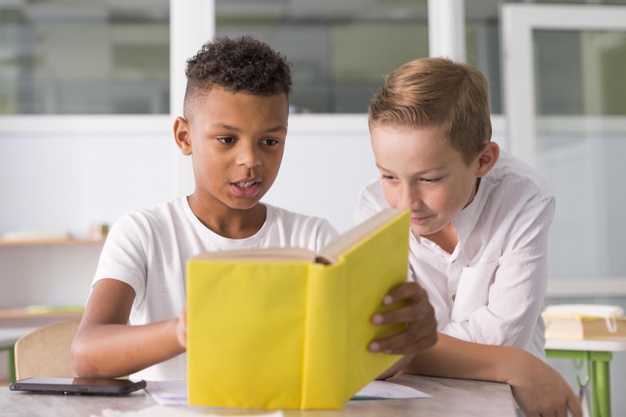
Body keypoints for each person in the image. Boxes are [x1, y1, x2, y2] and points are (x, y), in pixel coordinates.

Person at [70, 36, 437, 381]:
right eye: (227, 139)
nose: (250, 160)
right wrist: (181, 331)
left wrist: (405, 341)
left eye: (270, 141)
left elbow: (364, 360)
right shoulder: (144, 232)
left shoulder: (312, 238)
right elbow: (87, 354)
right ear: (185, 137)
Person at [357, 57, 582, 417]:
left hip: (512, 401)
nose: (405, 202)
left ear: (483, 160)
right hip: (410, 402)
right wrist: (510, 364)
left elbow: (502, 339)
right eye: (389, 176)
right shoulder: (373, 207)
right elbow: (378, 344)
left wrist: (416, 349)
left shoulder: (525, 197)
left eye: (429, 179)